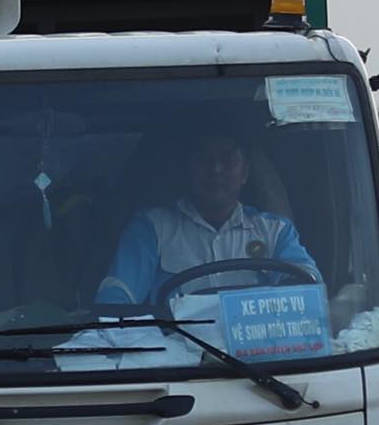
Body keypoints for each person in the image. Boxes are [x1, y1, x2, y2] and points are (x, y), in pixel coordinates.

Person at [97, 127, 316, 312]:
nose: (216, 169)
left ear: (245, 173)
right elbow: (116, 299)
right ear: (187, 169)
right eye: (204, 159)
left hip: (263, 357)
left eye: (228, 159)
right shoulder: (151, 227)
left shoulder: (276, 231)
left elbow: (309, 287)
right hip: (178, 356)